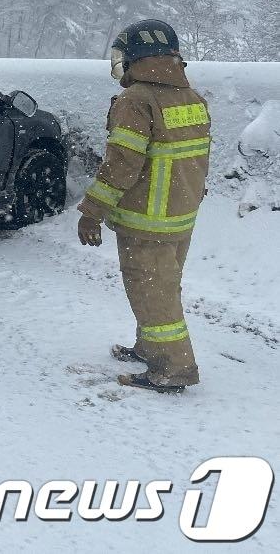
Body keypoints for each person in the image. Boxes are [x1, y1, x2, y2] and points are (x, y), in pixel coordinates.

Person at [77, 19, 210, 394]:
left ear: (135, 58)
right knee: (161, 288)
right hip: (178, 218)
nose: (116, 66)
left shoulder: (136, 100)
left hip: (146, 222)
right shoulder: (191, 98)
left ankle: (174, 369)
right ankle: (151, 348)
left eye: (119, 57)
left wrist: (92, 211)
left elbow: (122, 163)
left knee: (153, 293)